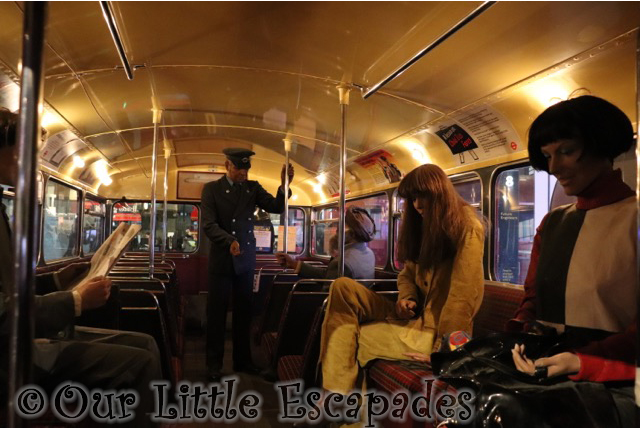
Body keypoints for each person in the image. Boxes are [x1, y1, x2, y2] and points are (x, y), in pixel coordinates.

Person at [434, 96, 636, 428]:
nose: (554, 168)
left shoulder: (634, 218)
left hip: (615, 374)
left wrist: (579, 360)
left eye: (567, 151)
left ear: (602, 145)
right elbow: (532, 304)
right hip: (547, 362)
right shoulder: (553, 223)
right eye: (547, 156)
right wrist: (508, 344)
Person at [0, 109, 162, 426]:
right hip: (10, 357)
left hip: (18, 340)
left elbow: (10, 291)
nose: (30, 163)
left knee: (146, 343)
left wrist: (62, 278)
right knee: (138, 363)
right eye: (25, 151)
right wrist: (75, 302)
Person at [318, 163, 485, 402]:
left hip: (434, 332)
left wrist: (444, 354)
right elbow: (407, 274)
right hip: (413, 319)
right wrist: (407, 297)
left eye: (422, 196)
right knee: (341, 287)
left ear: (439, 192)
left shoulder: (467, 227)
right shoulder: (427, 227)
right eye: (413, 198)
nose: (417, 205)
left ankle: (340, 404)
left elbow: (463, 297)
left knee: (352, 335)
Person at [201, 147, 294, 382]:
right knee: (217, 314)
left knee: (244, 313)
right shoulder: (211, 190)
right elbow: (209, 225)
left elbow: (276, 206)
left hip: (245, 259)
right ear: (227, 166)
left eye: (245, 169)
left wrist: (284, 185)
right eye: (239, 168)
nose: (243, 173)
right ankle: (214, 364)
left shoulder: (252, 188)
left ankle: (243, 361)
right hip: (222, 259)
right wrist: (228, 240)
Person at [276, 206, 376, 280]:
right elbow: (327, 275)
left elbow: (327, 293)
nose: (337, 230)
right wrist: (294, 264)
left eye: (342, 227)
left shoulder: (342, 263)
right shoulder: (369, 254)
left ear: (351, 234)